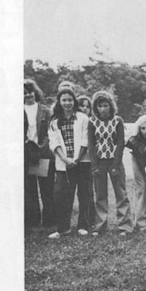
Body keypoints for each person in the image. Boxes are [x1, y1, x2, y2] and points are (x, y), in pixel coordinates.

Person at [87, 90, 134, 236]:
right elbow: (91, 143)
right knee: (100, 194)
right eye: (100, 106)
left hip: (114, 161)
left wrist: (116, 164)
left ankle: (125, 226)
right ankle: (100, 226)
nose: (103, 109)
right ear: (96, 107)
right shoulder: (92, 121)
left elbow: (120, 143)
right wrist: (94, 165)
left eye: (105, 105)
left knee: (121, 193)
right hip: (99, 162)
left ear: (110, 106)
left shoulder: (117, 121)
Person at [47, 86, 90, 239]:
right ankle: (63, 228)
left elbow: (86, 139)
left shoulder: (82, 118)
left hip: (82, 162)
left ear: (74, 101)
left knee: (84, 194)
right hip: (63, 164)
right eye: (64, 100)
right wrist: (65, 159)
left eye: (70, 100)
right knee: (61, 195)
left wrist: (77, 159)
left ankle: (83, 226)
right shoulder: (54, 121)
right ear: (59, 102)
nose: (67, 103)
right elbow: (54, 142)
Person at [24, 78, 55, 231]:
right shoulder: (17, 111)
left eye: (30, 92)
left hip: (43, 152)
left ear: (35, 92)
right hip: (26, 154)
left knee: (46, 188)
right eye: (24, 93)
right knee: (30, 190)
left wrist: (40, 146)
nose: (28, 95)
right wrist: (27, 145)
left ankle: (49, 221)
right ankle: (33, 222)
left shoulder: (45, 110)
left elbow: (50, 132)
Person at [75, 93, 96, 235]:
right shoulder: (75, 122)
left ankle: (89, 220)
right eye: (82, 105)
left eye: (87, 106)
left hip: (88, 161)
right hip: (75, 160)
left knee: (87, 193)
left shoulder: (92, 122)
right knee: (80, 193)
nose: (84, 108)